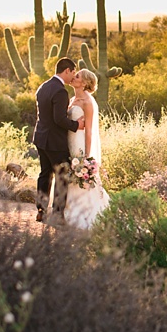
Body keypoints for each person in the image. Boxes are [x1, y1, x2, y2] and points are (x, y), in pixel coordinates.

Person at [33, 57, 85, 224]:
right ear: (67, 70)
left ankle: (41, 211)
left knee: (44, 174)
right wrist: (77, 125)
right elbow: (59, 119)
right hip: (55, 142)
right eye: (73, 72)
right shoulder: (60, 91)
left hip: (41, 138)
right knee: (62, 176)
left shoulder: (43, 87)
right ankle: (57, 214)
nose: (73, 76)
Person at [62, 68, 110, 229]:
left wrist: (87, 157)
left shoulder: (88, 102)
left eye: (77, 76)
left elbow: (89, 130)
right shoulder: (72, 99)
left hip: (79, 143)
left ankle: (84, 212)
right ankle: (68, 209)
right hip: (68, 141)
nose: (73, 77)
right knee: (69, 175)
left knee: (80, 174)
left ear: (83, 83)